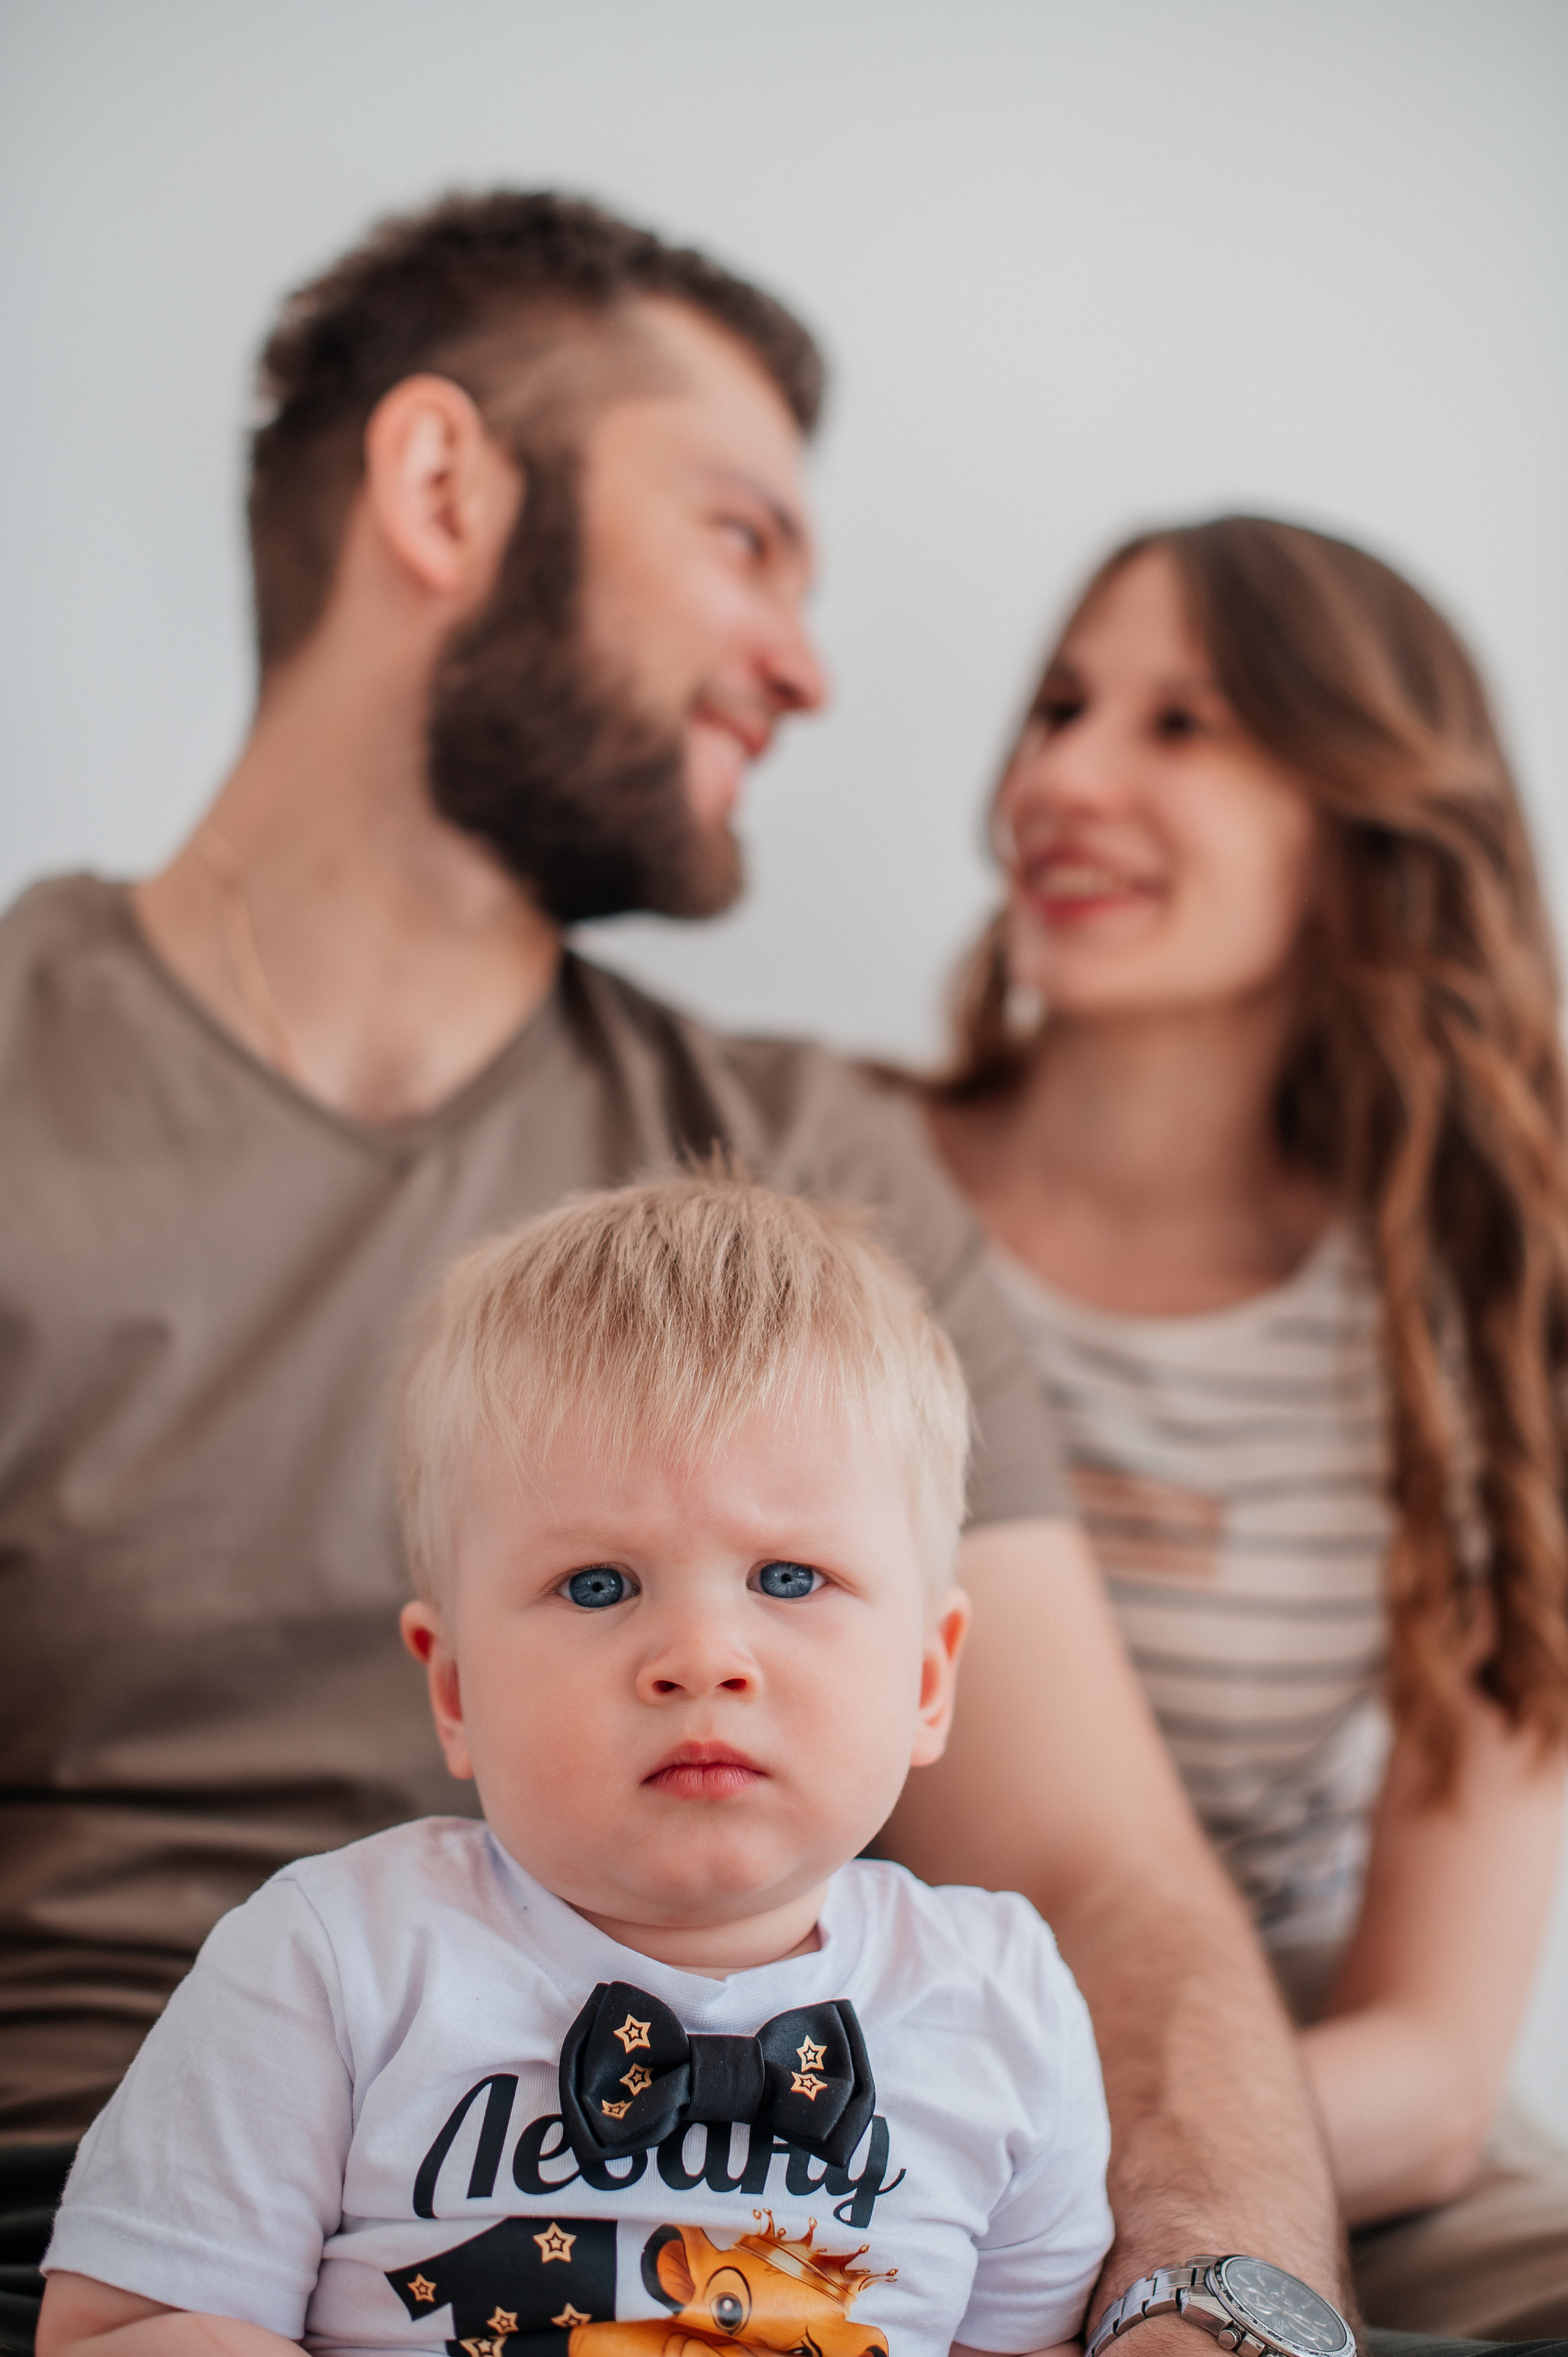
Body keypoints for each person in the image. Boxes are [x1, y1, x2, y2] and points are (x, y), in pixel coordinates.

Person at [0, 197, 1344, 2357]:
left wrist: (1215, 2308)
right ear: (444, 489)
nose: (812, 665)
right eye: (742, 537)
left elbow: (1111, 1888)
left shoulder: (810, 1172)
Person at [37, 1174, 1121, 2357]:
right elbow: (127, 2328)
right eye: (597, 1585)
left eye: (790, 1579)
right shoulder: (334, 1962)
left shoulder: (1006, 2006)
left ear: (928, 1679)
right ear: (454, 1689)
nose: (703, 1658)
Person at [896, 512, 1568, 2344]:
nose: (1062, 778)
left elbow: (1430, 2073)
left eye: (1182, 726)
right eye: (1058, 706)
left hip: (1326, 2122)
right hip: (838, 2079)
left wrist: (1080, 2196)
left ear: (1365, 831)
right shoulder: (828, 1182)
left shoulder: (1492, 1327)